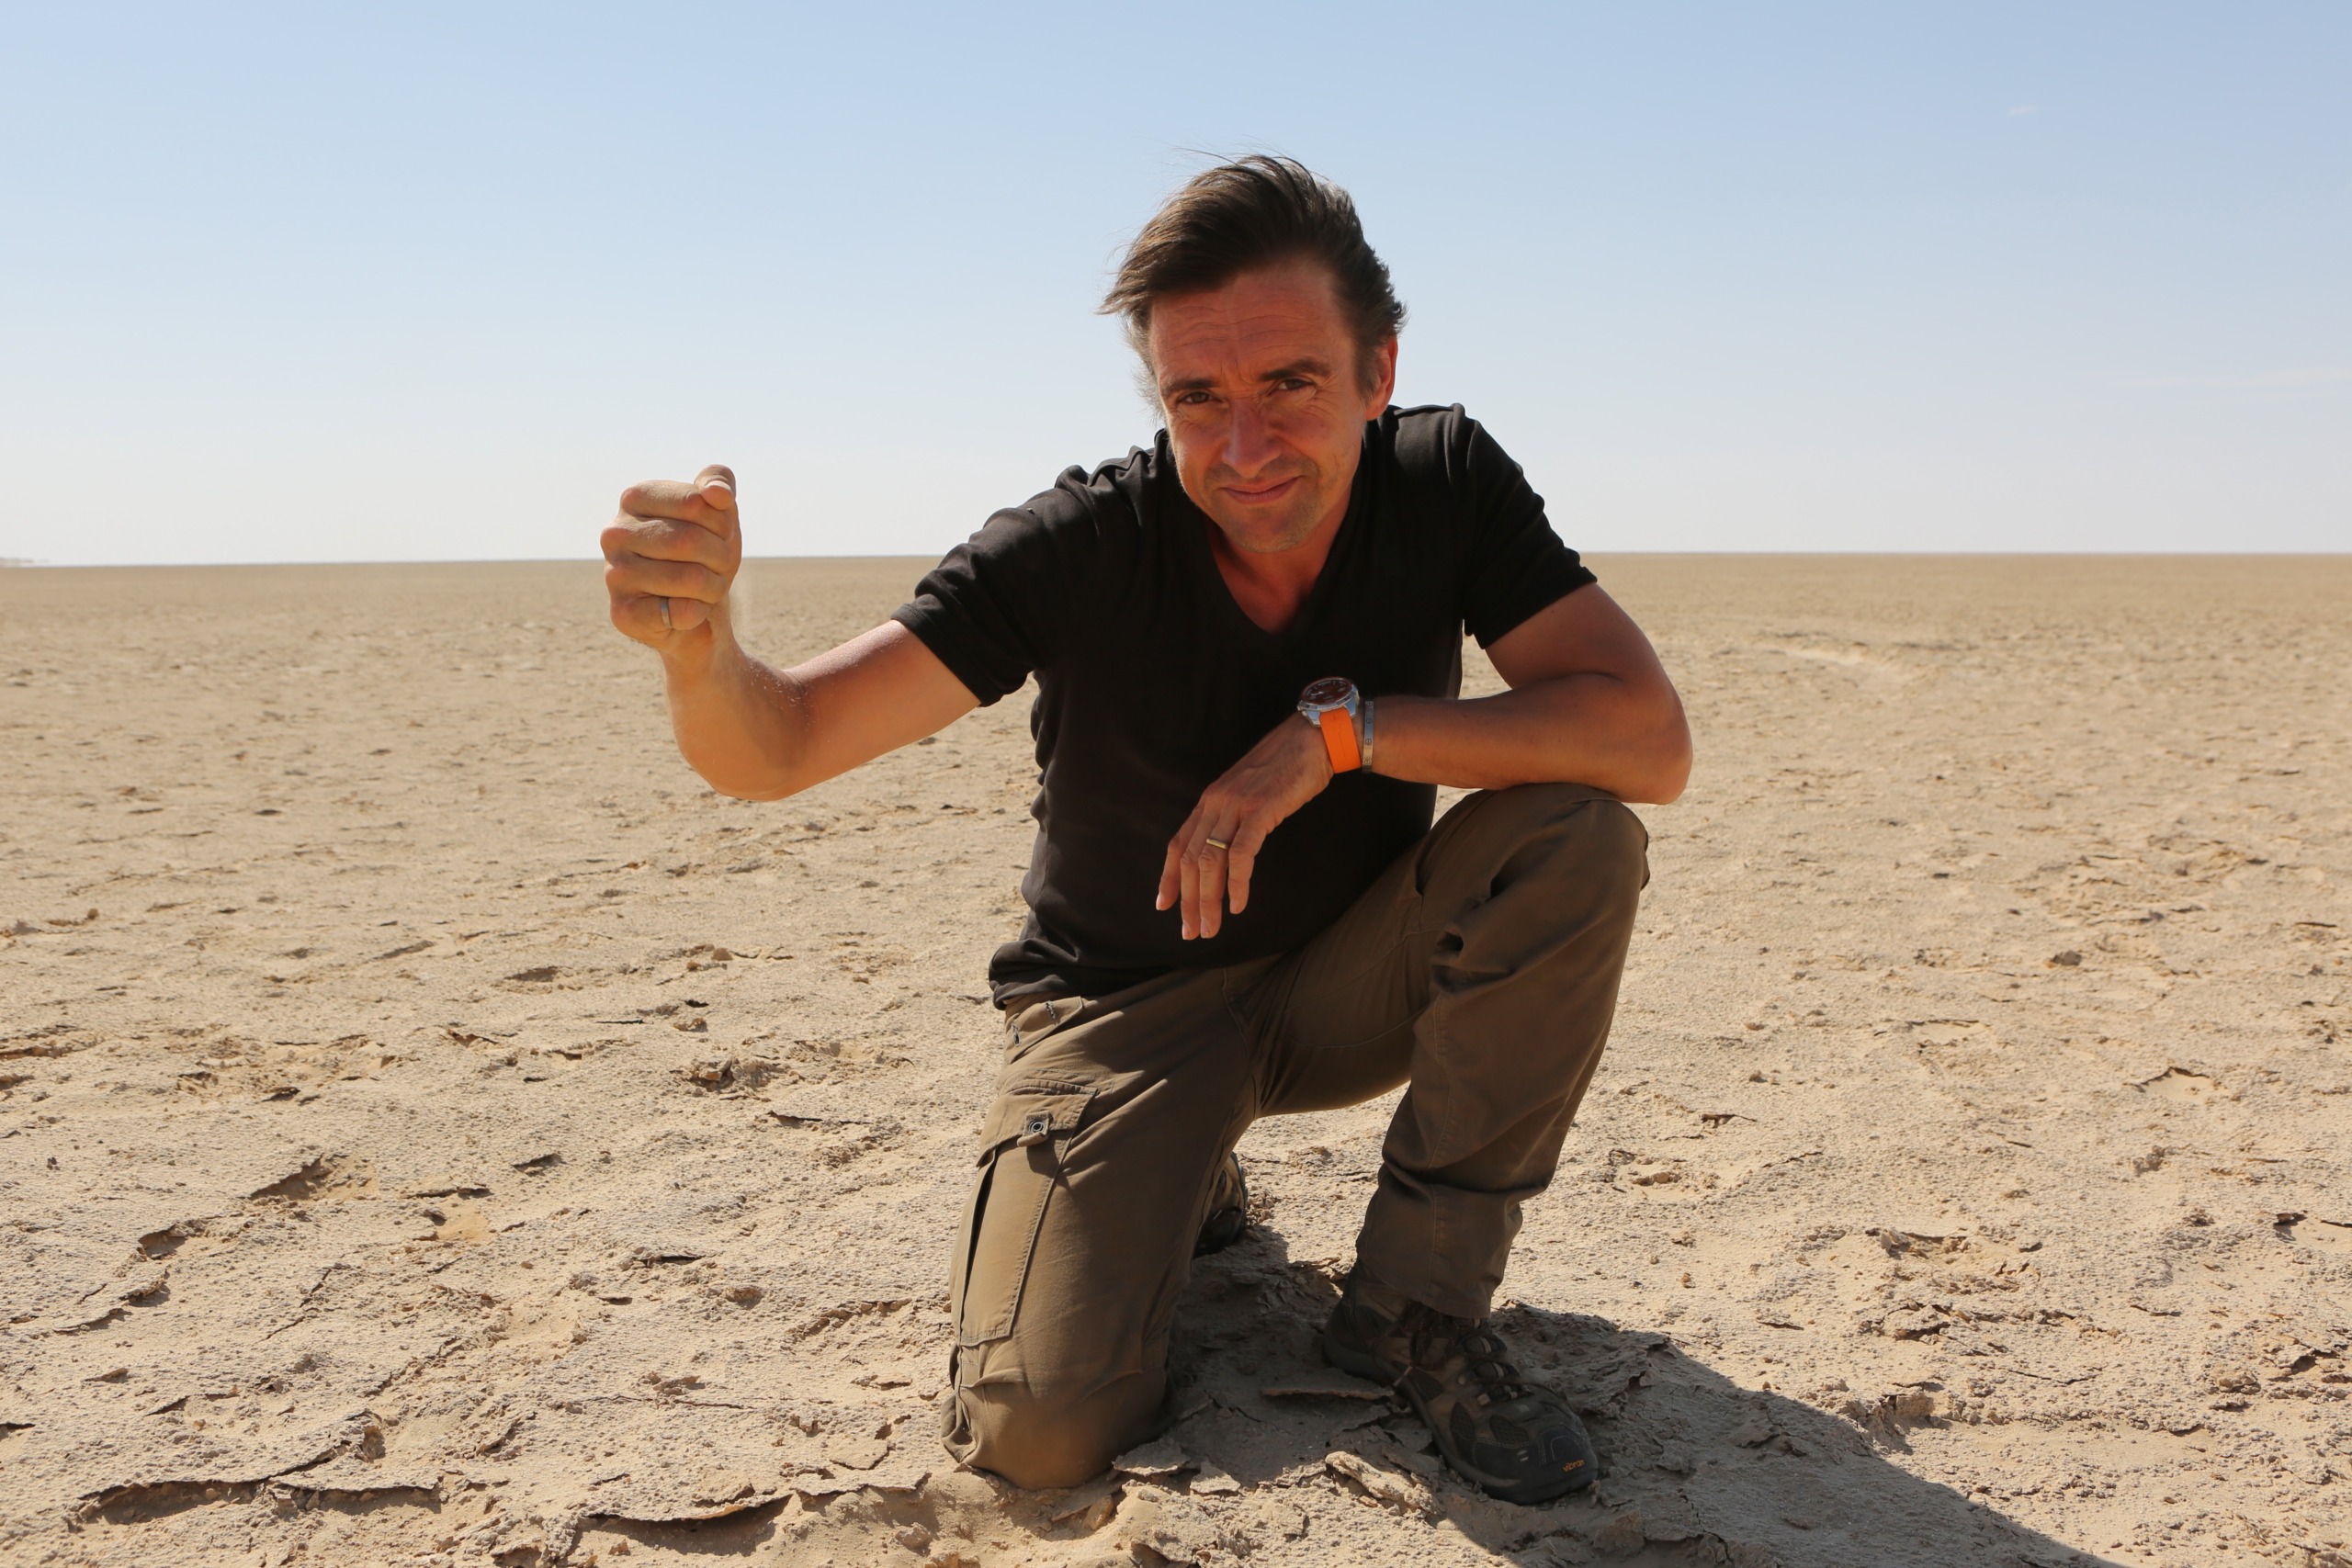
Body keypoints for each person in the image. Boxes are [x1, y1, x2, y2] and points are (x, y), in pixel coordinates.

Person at [599, 156, 1690, 1505]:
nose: (1244, 447)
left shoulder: (1445, 481)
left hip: (1352, 979)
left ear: (1377, 369)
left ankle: (1417, 1309)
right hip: (1123, 1012)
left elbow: (1647, 738)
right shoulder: (1078, 546)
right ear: (1157, 397)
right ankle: (1189, 1179)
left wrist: (1340, 733)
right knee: (1039, 1431)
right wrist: (703, 650)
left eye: (1290, 383)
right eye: (1198, 398)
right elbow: (784, 744)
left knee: (1573, 835)